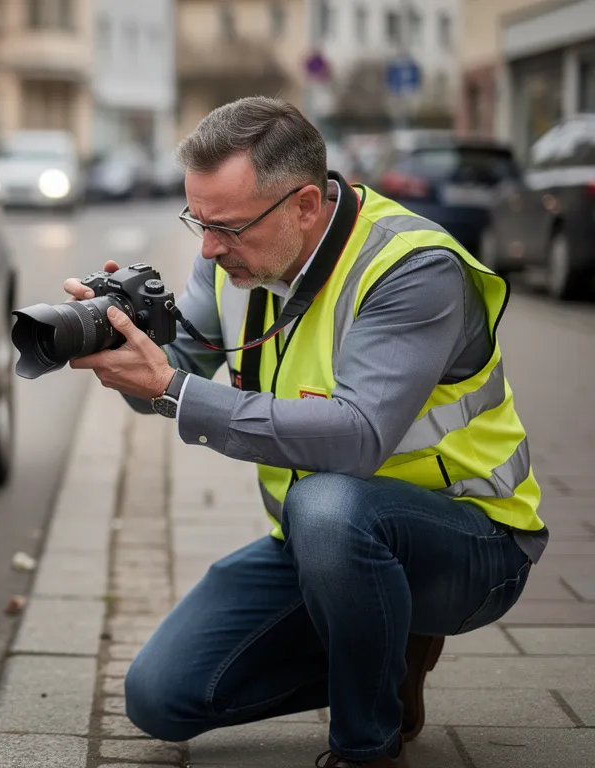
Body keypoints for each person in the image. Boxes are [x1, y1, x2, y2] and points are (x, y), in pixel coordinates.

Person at [62, 96, 545, 767]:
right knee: (158, 697)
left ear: (306, 206)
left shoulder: (412, 269)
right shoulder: (229, 256)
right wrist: (126, 349)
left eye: (225, 227)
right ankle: (379, 644)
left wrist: (172, 390)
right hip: (323, 543)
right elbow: (177, 378)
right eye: (197, 221)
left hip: (473, 543)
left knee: (326, 504)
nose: (206, 248)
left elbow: (356, 439)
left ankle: (367, 743)